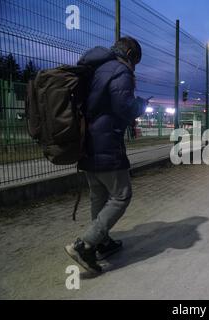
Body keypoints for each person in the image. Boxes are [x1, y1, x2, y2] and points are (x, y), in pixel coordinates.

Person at [64, 37, 147, 273]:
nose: (135, 66)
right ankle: (85, 244)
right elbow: (124, 106)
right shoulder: (120, 71)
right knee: (121, 195)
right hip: (107, 141)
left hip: (87, 140)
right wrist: (140, 105)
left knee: (98, 196)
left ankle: (102, 243)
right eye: (136, 61)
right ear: (130, 53)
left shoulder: (97, 69)